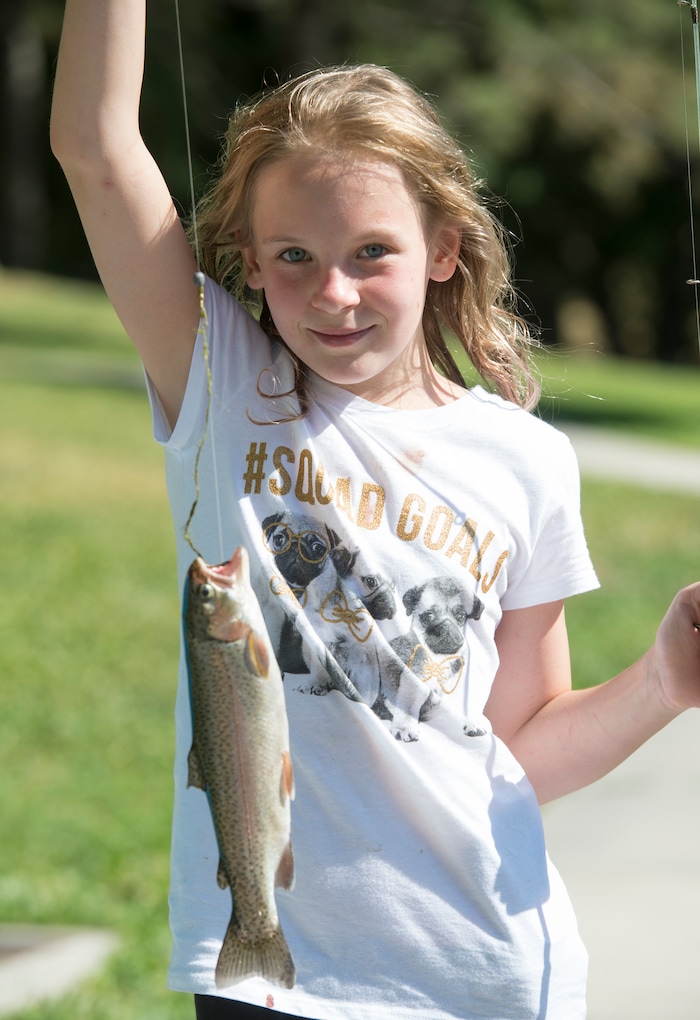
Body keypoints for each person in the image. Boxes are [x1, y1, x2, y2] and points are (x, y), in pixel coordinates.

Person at [50, 2, 700, 1018]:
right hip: (272, 975)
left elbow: (519, 746)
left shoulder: (526, 460)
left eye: (371, 252)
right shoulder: (225, 380)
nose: (333, 293)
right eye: (294, 256)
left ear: (443, 248)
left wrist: (662, 681)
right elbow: (94, 149)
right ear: (251, 265)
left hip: (484, 969)